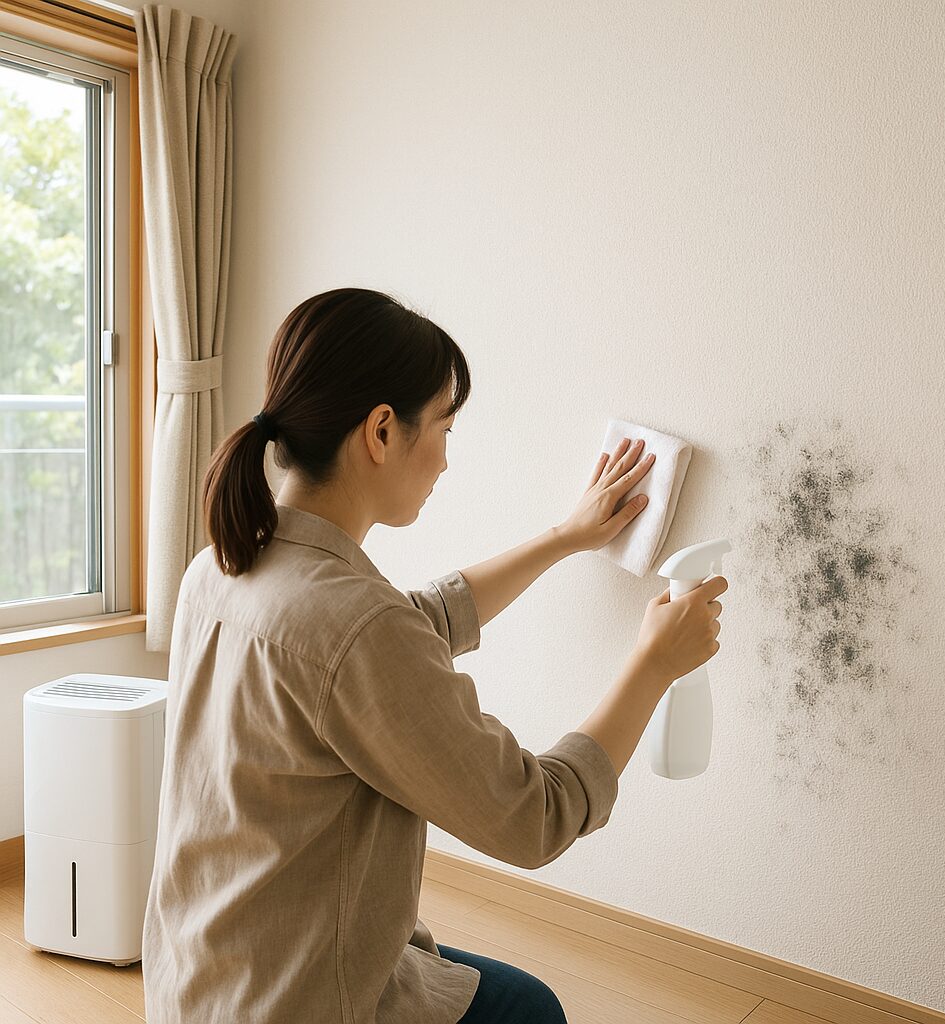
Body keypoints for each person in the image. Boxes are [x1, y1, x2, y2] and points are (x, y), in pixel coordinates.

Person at [140, 287, 727, 1024]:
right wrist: (654, 665)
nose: (447, 458)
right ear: (382, 431)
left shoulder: (221, 568)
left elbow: (403, 630)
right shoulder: (354, 625)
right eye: (445, 426)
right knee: (532, 1011)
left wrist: (564, 537)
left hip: (197, 988)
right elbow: (536, 817)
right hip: (300, 1003)